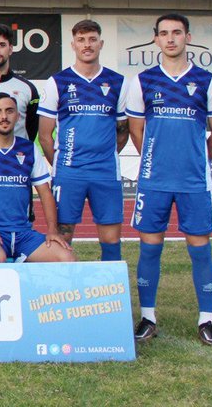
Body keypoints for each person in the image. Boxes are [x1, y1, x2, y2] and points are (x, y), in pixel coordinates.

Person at [128, 13, 212, 347]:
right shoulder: (142, 81)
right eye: (164, 34)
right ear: (155, 39)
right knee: (149, 249)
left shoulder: (208, 81)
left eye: (177, 33)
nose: (170, 39)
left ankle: (206, 319)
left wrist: (194, 160)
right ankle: (148, 317)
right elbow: (136, 129)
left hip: (194, 181)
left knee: (200, 250)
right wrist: (156, 159)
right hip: (154, 180)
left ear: (188, 37)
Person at [37, 19, 129, 262]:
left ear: (101, 43)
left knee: (111, 241)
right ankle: (64, 294)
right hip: (69, 173)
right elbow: (45, 135)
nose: (86, 45)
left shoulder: (117, 82)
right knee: (62, 240)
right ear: (73, 44)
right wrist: (63, 161)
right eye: (81, 40)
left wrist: (103, 153)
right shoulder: (58, 82)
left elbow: (122, 131)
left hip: (105, 172)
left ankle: (109, 295)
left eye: (92, 39)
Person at [0, 93, 74, 264]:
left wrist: (52, 230)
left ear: (18, 116)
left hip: (24, 234)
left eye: (9, 111)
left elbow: (45, 193)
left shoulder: (29, 149)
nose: (4, 116)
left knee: (66, 257)